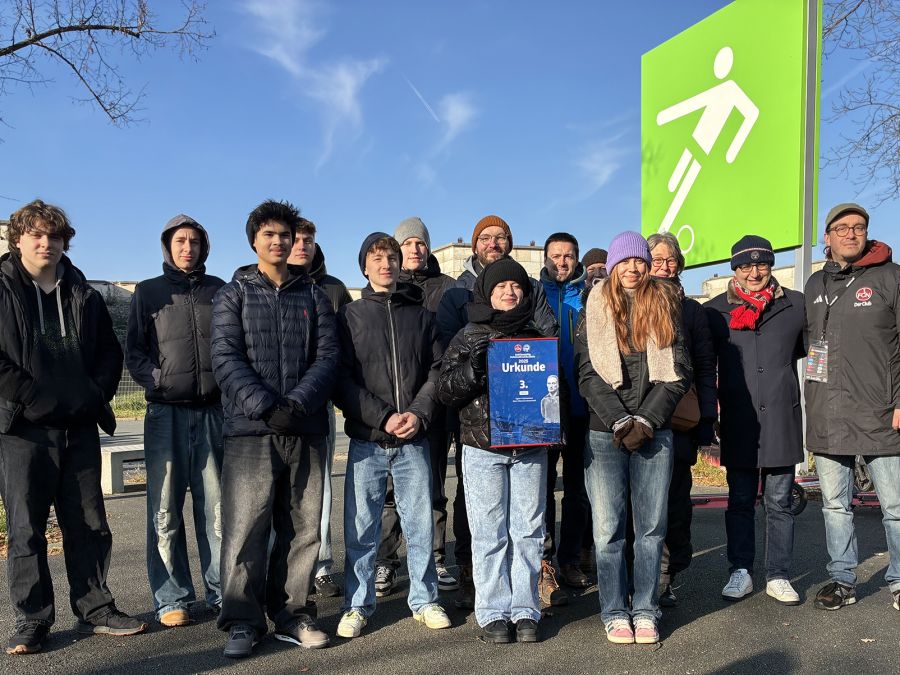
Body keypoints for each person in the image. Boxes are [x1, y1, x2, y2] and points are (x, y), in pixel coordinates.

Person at [0, 199, 146, 655]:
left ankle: (96, 608)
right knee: (26, 527)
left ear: (65, 241)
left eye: (55, 236)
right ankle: (32, 619)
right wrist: (32, 395)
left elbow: (109, 352)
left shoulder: (84, 293)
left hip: (79, 426)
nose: (47, 243)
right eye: (37, 235)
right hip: (24, 429)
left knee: (88, 523)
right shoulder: (1, 290)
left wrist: (95, 393)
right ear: (18, 238)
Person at [211, 200, 339, 658]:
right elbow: (225, 357)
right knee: (245, 528)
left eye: (285, 235)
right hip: (250, 430)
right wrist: (267, 405)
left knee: (304, 529)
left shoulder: (314, 296)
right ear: (254, 241)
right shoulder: (234, 294)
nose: (279, 242)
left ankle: (293, 613)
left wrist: (297, 404)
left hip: (305, 429)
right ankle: (243, 620)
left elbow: (328, 357)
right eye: (269, 234)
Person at [435, 214, 559, 610]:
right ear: (486, 292)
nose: (509, 291)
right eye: (501, 285)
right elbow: (444, 389)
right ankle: (491, 610)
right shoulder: (468, 334)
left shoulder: (539, 337)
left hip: (529, 446)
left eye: (515, 285)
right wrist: (473, 370)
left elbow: (553, 389)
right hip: (482, 445)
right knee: (489, 533)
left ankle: (524, 608)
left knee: (527, 531)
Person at [575, 231, 691, 645]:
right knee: (608, 529)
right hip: (605, 433)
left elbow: (678, 371)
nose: (633, 269)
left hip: (654, 432)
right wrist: (621, 421)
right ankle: (613, 611)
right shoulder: (594, 304)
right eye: (625, 261)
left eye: (639, 261)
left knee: (651, 529)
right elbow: (587, 372)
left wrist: (645, 420)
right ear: (612, 266)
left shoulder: (665, 303)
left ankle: (645, 608)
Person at [333, 232, 450, 639]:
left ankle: (424, 599)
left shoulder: (421, 317)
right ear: (364, 265)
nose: (386, 264)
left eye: (392, 258)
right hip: (368, 439)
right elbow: (341, 380)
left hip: (414, 438)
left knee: (419, 524)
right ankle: (357, 604)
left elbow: (438, 371)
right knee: (361, 527)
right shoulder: (349, 318)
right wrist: (383, 417)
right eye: (377, 258)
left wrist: (417, 413)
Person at [125, 215, 226, 627]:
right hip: (164, 413)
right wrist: (158, 380)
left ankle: (222, 592)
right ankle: (172, 598)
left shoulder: (219, 291)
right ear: (168, 246)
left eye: (195, 241)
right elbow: (134, 351)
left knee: (217, 508)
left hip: (212, 413)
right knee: (165, 509)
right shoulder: (148, 293)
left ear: (204, 247)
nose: (188, 248)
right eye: (180, 241)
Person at [804, 203, 900, 612]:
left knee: (895, 507)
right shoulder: (813, 284)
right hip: (827, 410)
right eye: (841, 228)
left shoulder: (891, 278)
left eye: (858, 227)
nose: (850, 234)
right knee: (835, 505)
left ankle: (898, 580)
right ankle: (843, 579)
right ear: (827, 237)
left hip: (881, 411)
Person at [704, 235, 807, 605]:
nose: (754, 272)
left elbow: (802, 350)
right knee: (740, 500)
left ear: (771, 265)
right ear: (735, 269)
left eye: (761, 264)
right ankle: (740, 570)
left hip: (781, 416)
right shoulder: (716, 311)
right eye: (745, 265)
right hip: (739, 418)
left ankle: (779, 573)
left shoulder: (795, 304)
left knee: (780, 501)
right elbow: (708, 365)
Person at [375, 217, 459, 596]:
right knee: (391, 492)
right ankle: (388, 562)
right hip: (393, 408)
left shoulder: (449, 289)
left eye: (420, 243)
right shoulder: (384, 288)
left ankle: (437, 557)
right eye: (407, 244)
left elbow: (453, 348)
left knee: (435, 487)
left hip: (435, 405)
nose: (414, 249)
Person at [645, 232, 717, 606]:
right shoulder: (631, 303)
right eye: (656, 259)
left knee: (675, 504)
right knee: (641, 507)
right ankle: (640, 576)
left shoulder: (692, 311)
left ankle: (667, 576)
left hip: (680, 423)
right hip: (640, 419)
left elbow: (706, 366)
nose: (664, 265)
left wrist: (707, 417)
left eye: (671, 260)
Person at [287, 217, 352, 598]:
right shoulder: (263, 285)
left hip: (319, 406)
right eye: (296, 239)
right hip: (275, 407)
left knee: (320, 488)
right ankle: (284, 566)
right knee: (281, 490)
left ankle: (322, 566)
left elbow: (342, 348)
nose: (301, 245)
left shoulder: (334, 289)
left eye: (308, 240)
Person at [539, 232, 592, 594]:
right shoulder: (531, 296)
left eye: (568, 256)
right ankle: (543, 563)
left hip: (583, 409)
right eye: (555, 255)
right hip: (543, 412)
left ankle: (570, 560)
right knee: (540, 490)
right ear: (545, 258)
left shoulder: (591, 297)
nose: (562, 262)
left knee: (577, 491)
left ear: (577, 259)